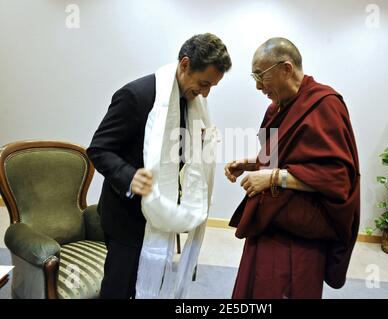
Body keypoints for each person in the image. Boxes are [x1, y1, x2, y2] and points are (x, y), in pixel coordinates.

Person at [88, 33, 232, 299]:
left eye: (212, 86)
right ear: (185, 64)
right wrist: (130, 177)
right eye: (203, 83)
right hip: (127, 217)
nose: (205, 93)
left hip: (164, 210)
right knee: (120, 288)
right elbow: (99, 149)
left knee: (153, 283)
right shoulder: (136, 96)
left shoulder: (192, 103)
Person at [225, 37, 360, 299]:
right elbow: (278, 158)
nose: (258, 86)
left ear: (286, 68)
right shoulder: (275, 108)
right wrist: (250, 164)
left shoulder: (325, 104)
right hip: (267, 222)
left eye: (261, 75)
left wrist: (274, 178)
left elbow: (336, 178)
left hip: (301, 234)